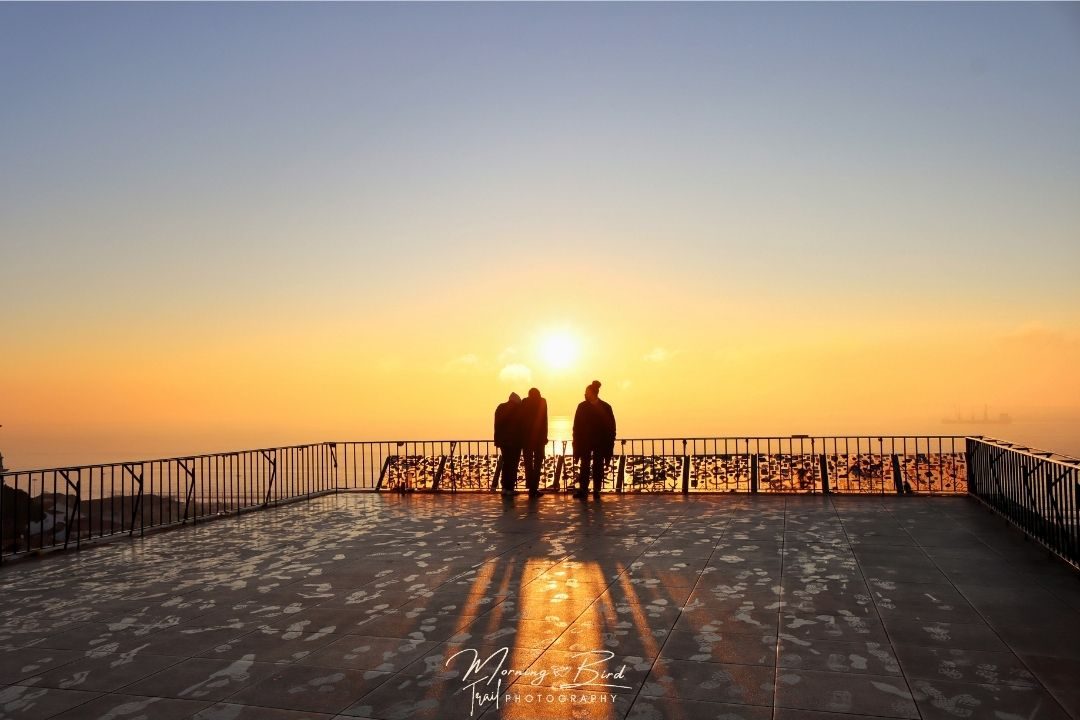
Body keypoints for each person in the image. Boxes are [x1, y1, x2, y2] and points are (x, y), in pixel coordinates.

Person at [572, 380, 616, 500]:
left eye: (586, 392)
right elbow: (576, 427)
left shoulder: (606, 407)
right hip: (585, 443)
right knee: (584, 466)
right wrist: (576, 444)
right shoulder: (582, 407)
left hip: (599, 443)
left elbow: (611, 428)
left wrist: (609, 445)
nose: (585, 394)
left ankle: (596, 490)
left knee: (598, 466)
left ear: (592, 393)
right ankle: (583, 489)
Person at [519, 388, 549, 498]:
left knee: (528, 464)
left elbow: (520, 420)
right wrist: (545, 436)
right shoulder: (542, 401)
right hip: (539, 439)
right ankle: (533, 488)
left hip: (527, 439)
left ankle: (531, 487)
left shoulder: (525, 402)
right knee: (537, 464)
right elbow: (544, 420)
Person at [494, 392, 523, 496]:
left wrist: (497, 440)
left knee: (506, 464)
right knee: (512, 465)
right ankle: (509, 488)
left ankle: (504, 488)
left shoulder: (500, 407)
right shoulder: (516, 410)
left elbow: (497, 425)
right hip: (514, 442)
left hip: (503, 442)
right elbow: (519, 427)